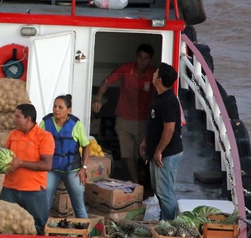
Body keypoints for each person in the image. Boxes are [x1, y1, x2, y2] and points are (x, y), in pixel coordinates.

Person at [91, 44, 156, 183]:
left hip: (144, 119)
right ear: (136, 56)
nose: (142, 61)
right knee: (127, 153)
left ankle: (148, 182)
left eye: (145, 58)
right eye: (139, 57)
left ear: (150, 60)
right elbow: (106, 82)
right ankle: (135, 182)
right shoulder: (126, 69)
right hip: (124, 118)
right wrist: (98, 98)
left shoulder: (153, 73)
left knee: (144, 153)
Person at [0, 103, 55, 234]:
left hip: (33, 191)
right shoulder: (13, 134)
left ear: (28, 119)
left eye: (17, 116)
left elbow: (47, 165)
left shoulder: (44, 137)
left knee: (38, 228)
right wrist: (2, 166)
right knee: (4, 224)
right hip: (9, 189)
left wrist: (21, 163)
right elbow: (8, 158)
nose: (14, 119)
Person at [140, 63, 183, 221]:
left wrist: (159, 151)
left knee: (166, 193)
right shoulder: (158, 96)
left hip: (167, 154)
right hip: (156, 152)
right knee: (158, 189)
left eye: (155, 72)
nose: (153, 74)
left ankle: (169, 226)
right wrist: (146, 142)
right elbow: (154, 124)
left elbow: (169, 129)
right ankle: (162, 220)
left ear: (159, 79)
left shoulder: (167, 101)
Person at [39, 95, 90, 219]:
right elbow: (37, 141)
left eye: (60, 107)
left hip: (72, 170)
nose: (56, 109)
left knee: (79, 205)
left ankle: (85, 236)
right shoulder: (45, 123)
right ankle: (39, 232)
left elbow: (86, 146)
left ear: (69, 110)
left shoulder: (76, 125)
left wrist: (84, 167)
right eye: (55, 106)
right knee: (44, 203)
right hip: (51, 169)